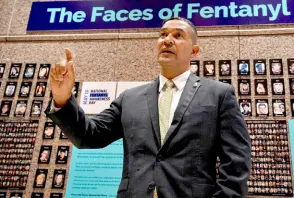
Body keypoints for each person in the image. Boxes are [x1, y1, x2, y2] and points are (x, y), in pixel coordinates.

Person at [46, 17, 251, 197]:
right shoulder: (130, 99)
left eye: (178, 35)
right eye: (163, 35)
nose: (167, 40)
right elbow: (88, 136)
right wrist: (63, 98)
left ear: (194, 51)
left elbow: (236, 161)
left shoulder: (219, 94)